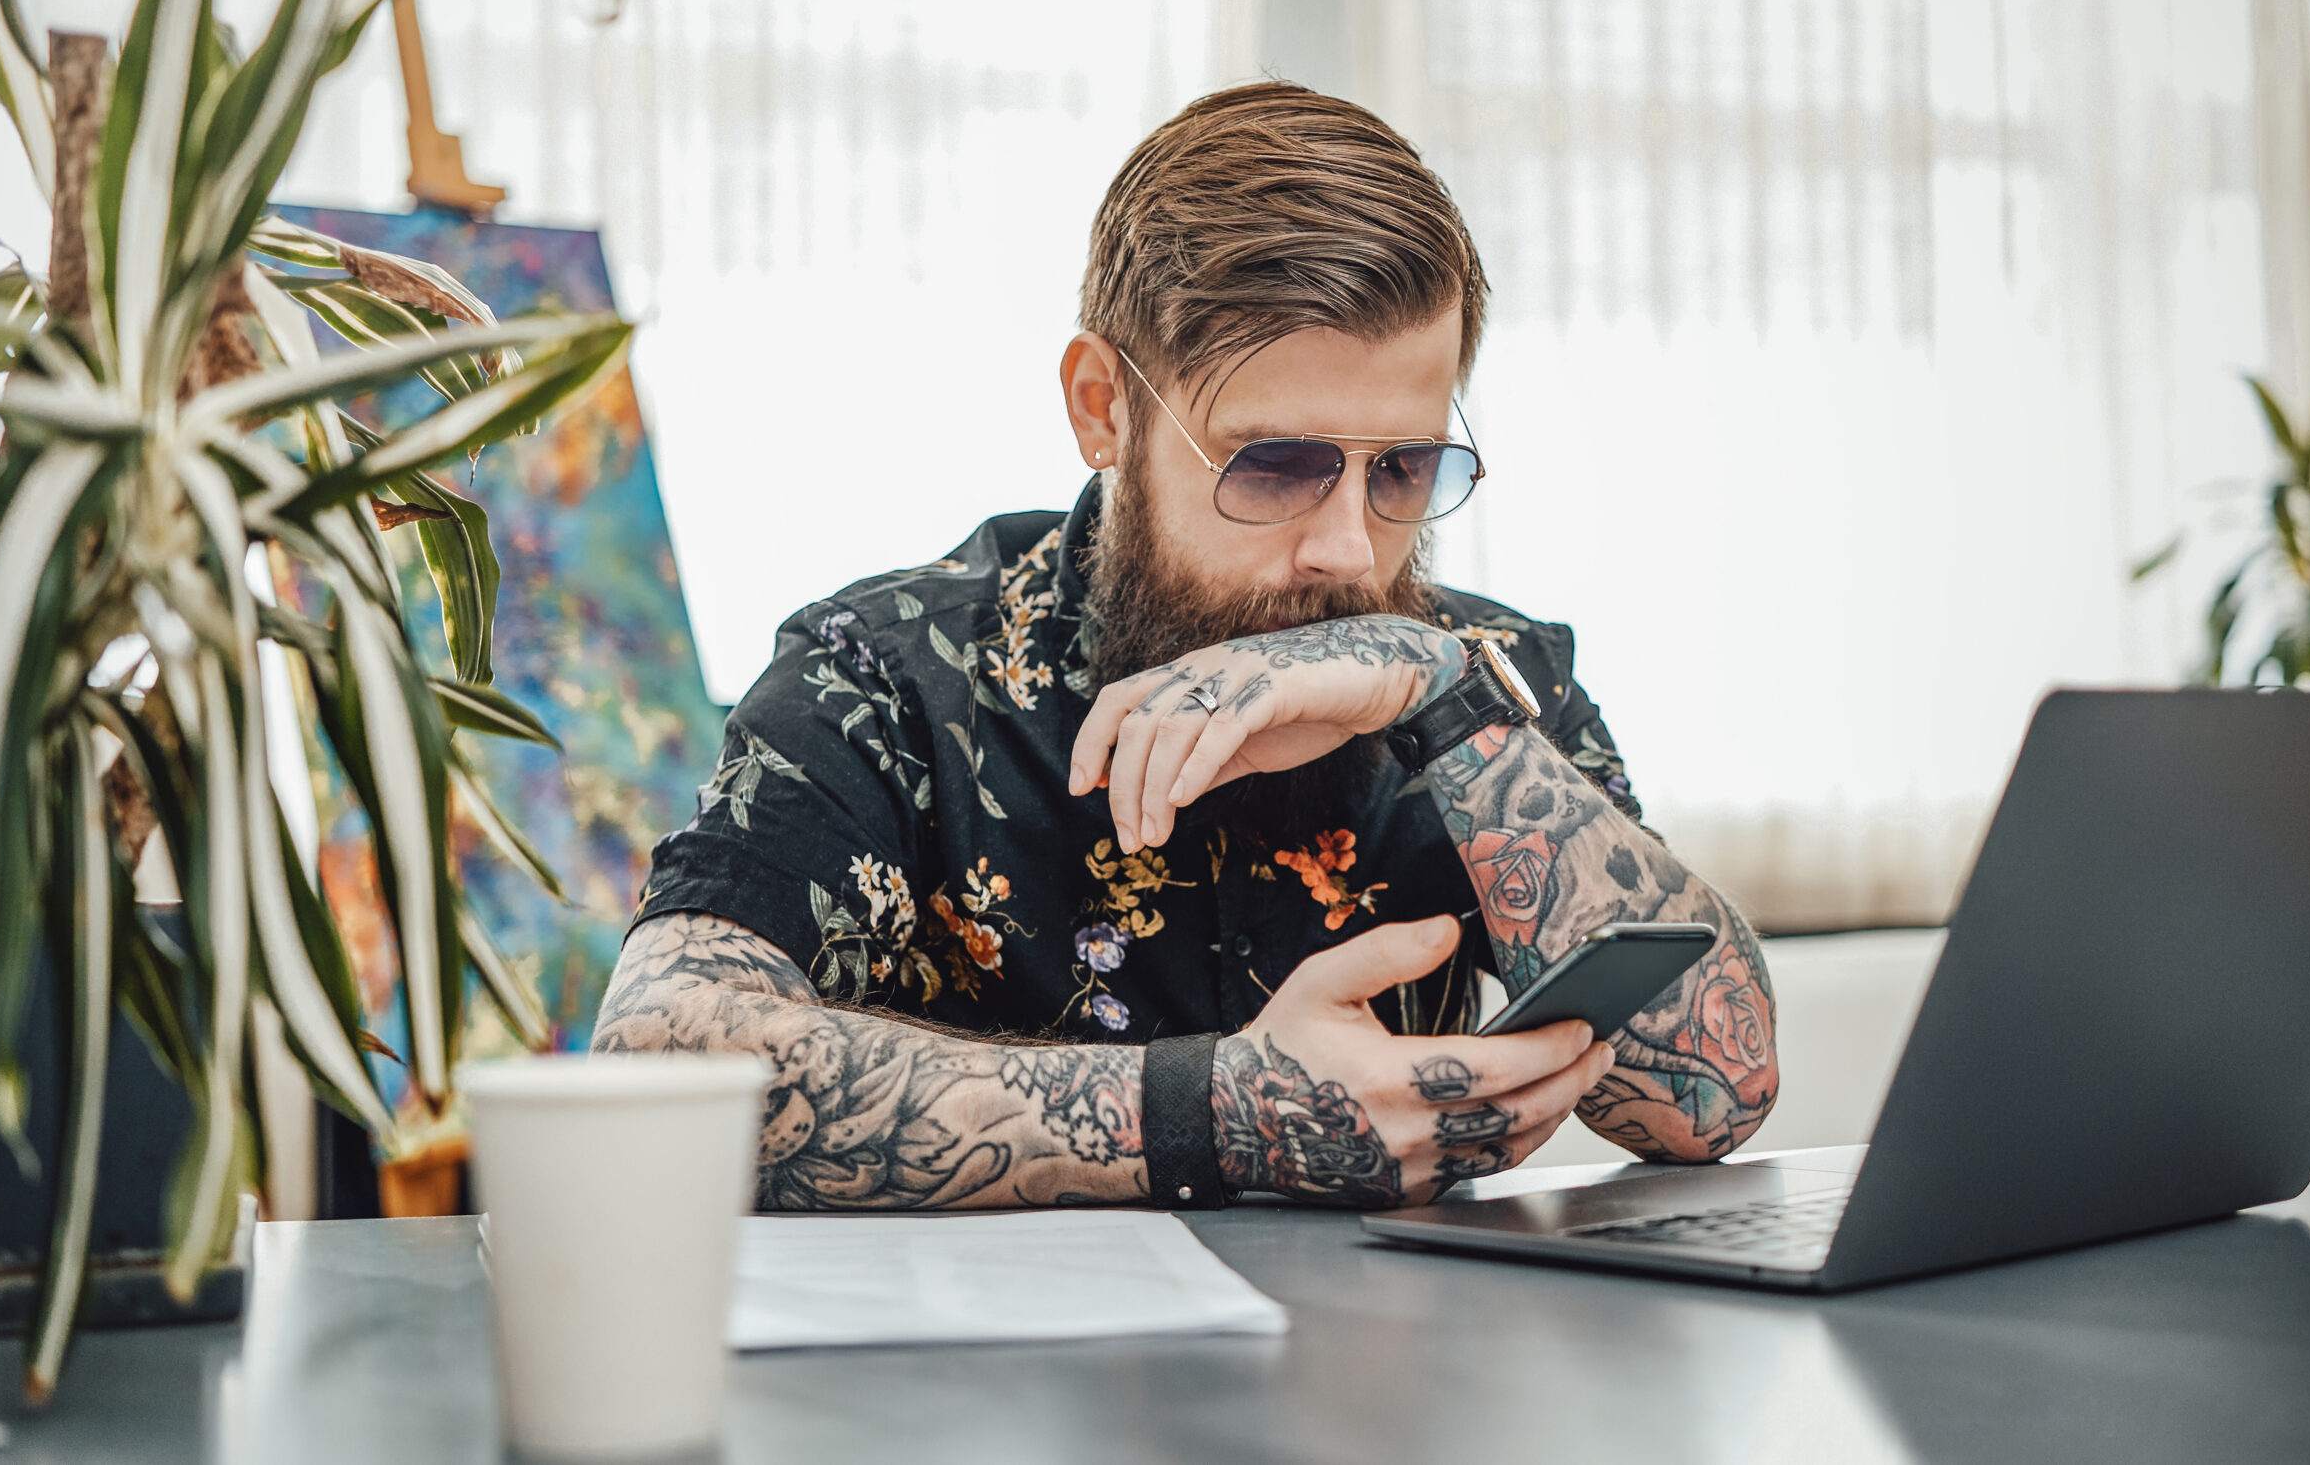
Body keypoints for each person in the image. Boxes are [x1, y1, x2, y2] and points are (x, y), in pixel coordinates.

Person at [593, 83, 1777, 1212]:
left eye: (1403, 470)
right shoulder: (885, 678)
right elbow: (653, 1075)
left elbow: (1714, 1099)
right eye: (1274, 467)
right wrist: (1208, 1115)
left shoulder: (1479, 679)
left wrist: (1449, 710)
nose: (1350, 554)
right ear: (1103, 407)